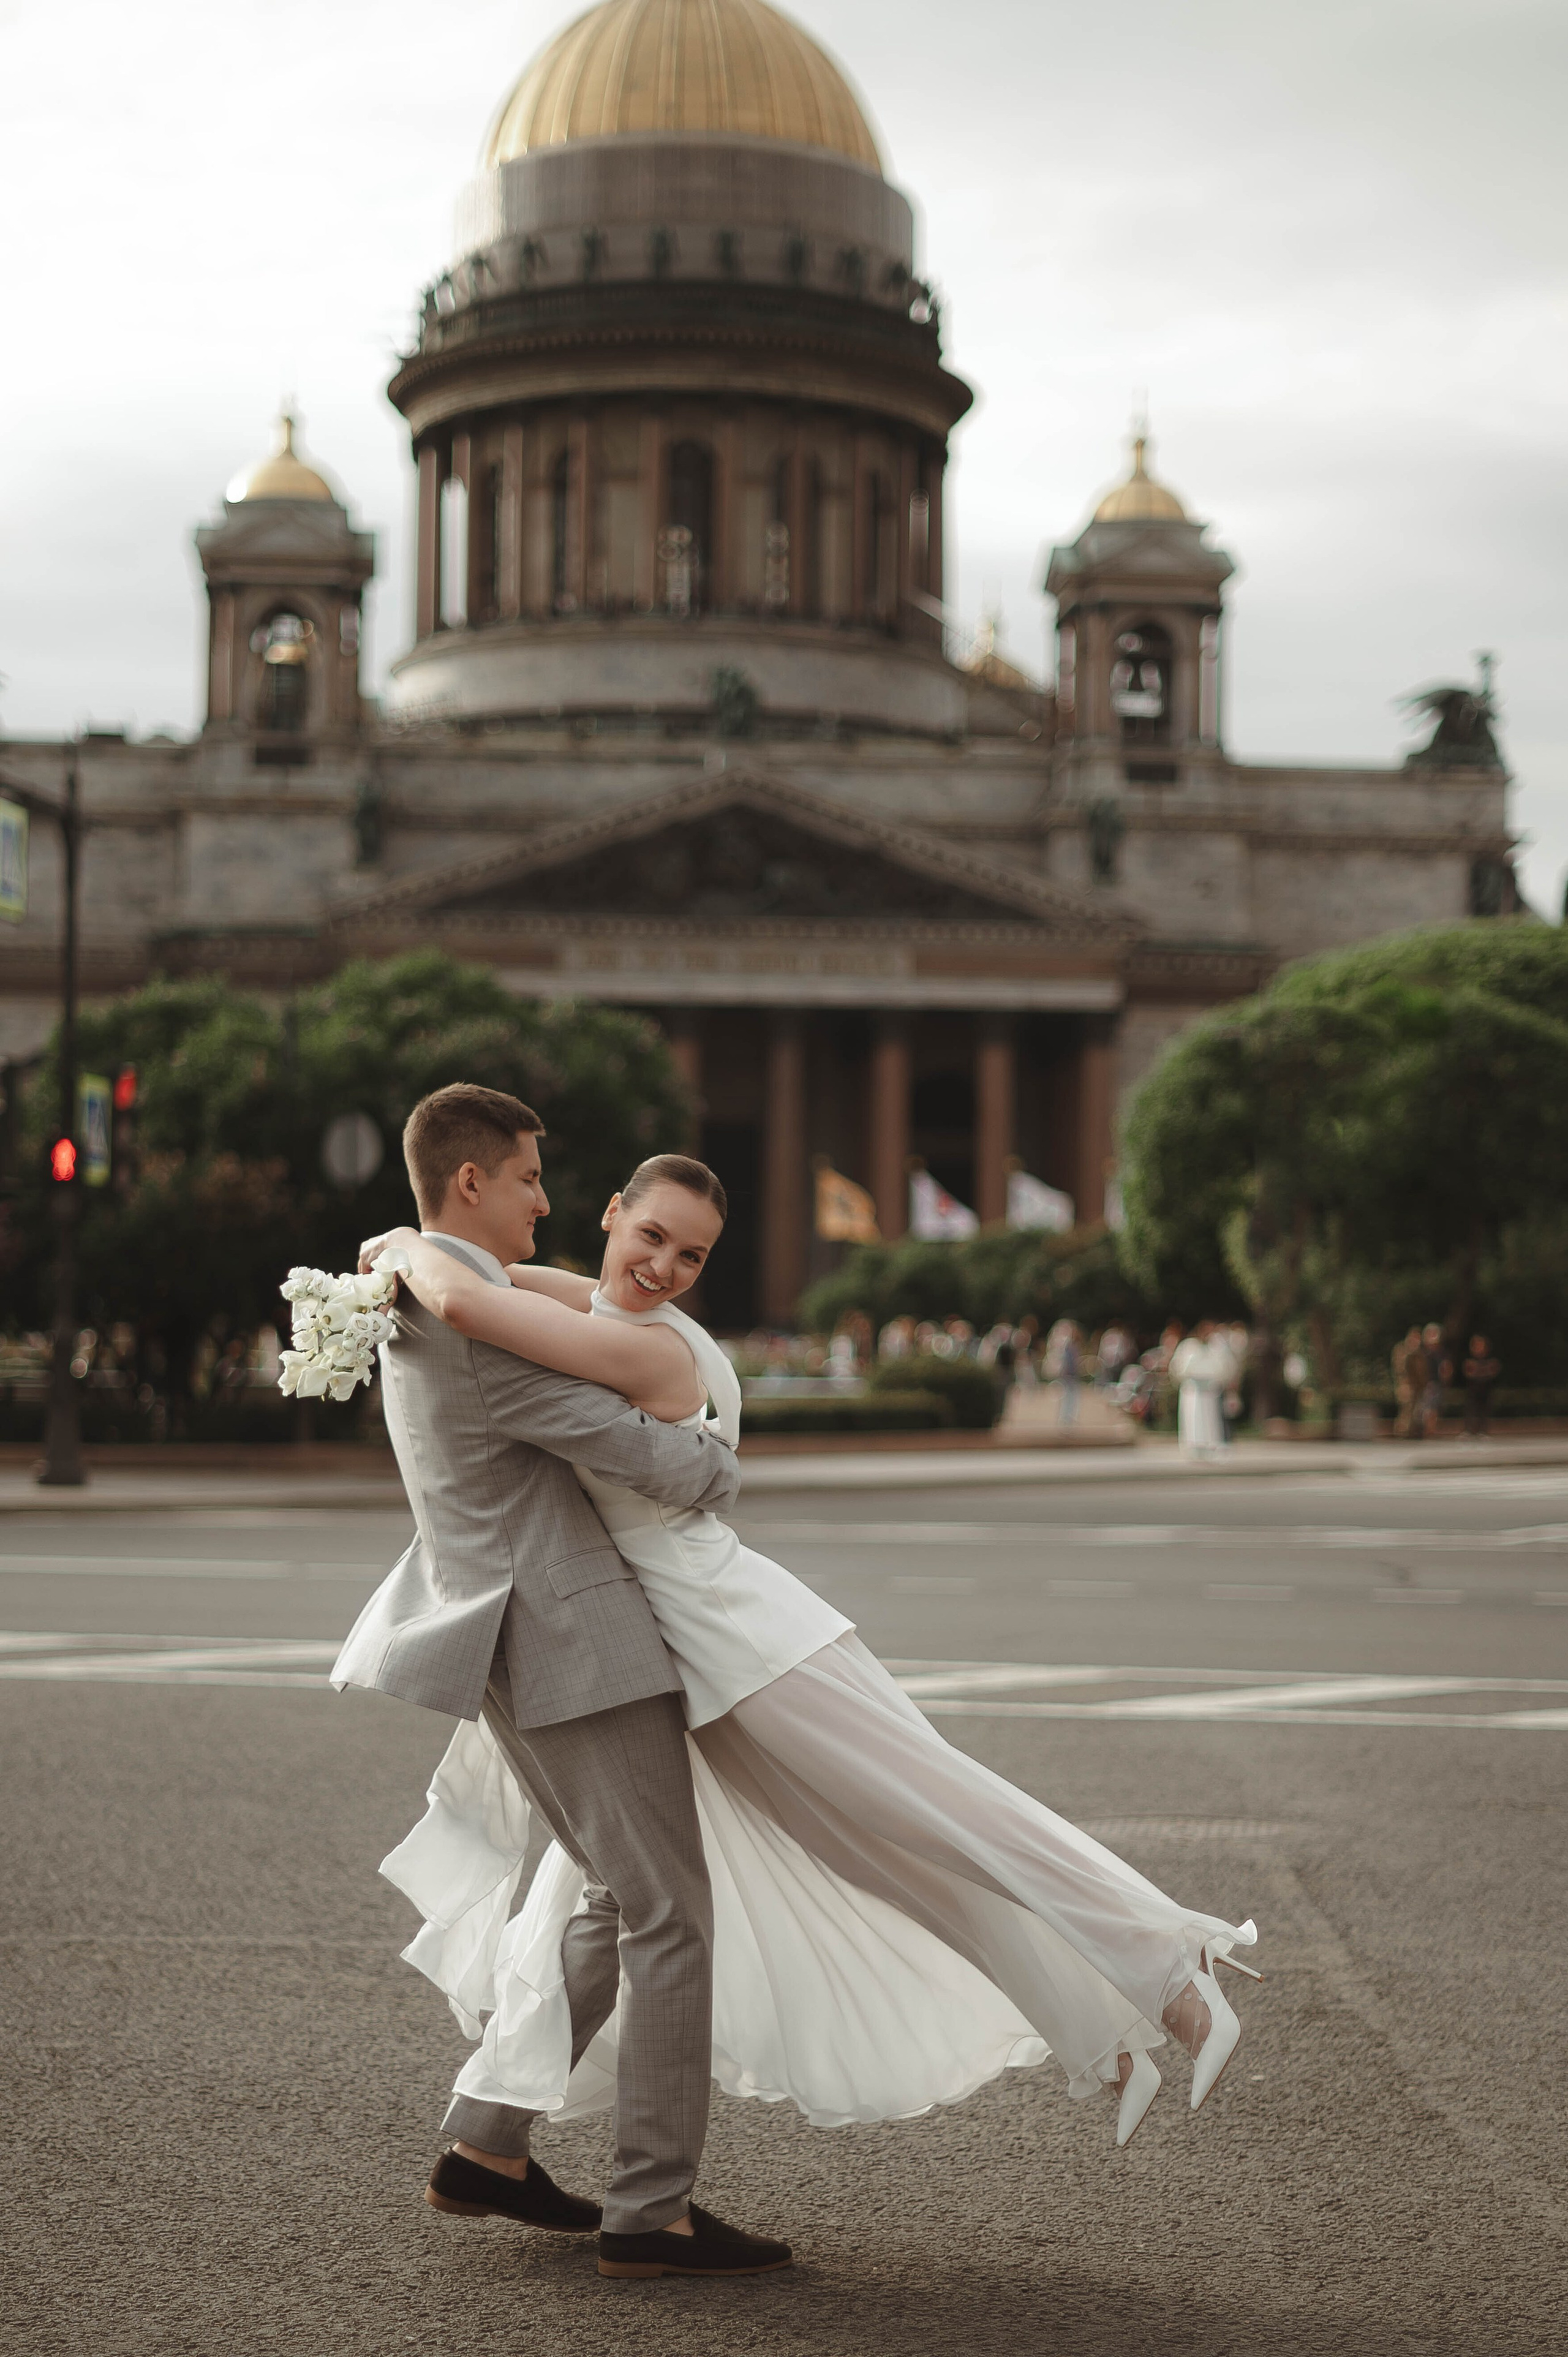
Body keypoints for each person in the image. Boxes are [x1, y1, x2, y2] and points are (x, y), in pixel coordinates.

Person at [362, 1155, 1259, 2212]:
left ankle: (1168, 1969)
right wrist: (411, 1251)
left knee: (935, 1809)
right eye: (650, 1235)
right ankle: (1098, 2027)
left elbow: (471, 1296)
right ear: (611, 1217)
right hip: (675, 1648)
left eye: (691, 1254)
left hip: (742, 1635)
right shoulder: (594, 1303)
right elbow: (511, 1287)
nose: (663, 1265)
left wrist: (402, 1246)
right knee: (842, 1857)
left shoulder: (634, 1340)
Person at [332, 1085, 790, 2279]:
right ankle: (653, 2211)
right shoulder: (468, 1324)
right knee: (670, 1917)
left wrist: (405, 1243)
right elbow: (669, 1468)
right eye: (530, 1177)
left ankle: (487, 2147)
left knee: (608, 1894)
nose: (546, 1197)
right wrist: (711, 1448)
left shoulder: (423, 1280)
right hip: (569, 1642)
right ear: (473, 1182)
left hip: (524, 1631)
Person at [1169, 1321, 1235, 1458]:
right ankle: (1194, 1446)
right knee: (1193, 1417)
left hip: (1210, 1390)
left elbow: (1223, 1368)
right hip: (1193, 1390)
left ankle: (1211, 1445)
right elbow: (1179, 1367)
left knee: (1210, 1419)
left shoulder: (1215, 1347)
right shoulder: (1189, 1346)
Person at [1463, 1334, 1500, 1438]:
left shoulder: (1491, 1358)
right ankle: (1469, 1430)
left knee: (1484, 1410)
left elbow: (1494, 1370)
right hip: (1473, 1389)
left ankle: (1483, 1431)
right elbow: (1469, 1371)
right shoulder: (1469, 1359)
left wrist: (1480, 1371)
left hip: (1486, 1388)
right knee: (1471, 1409)